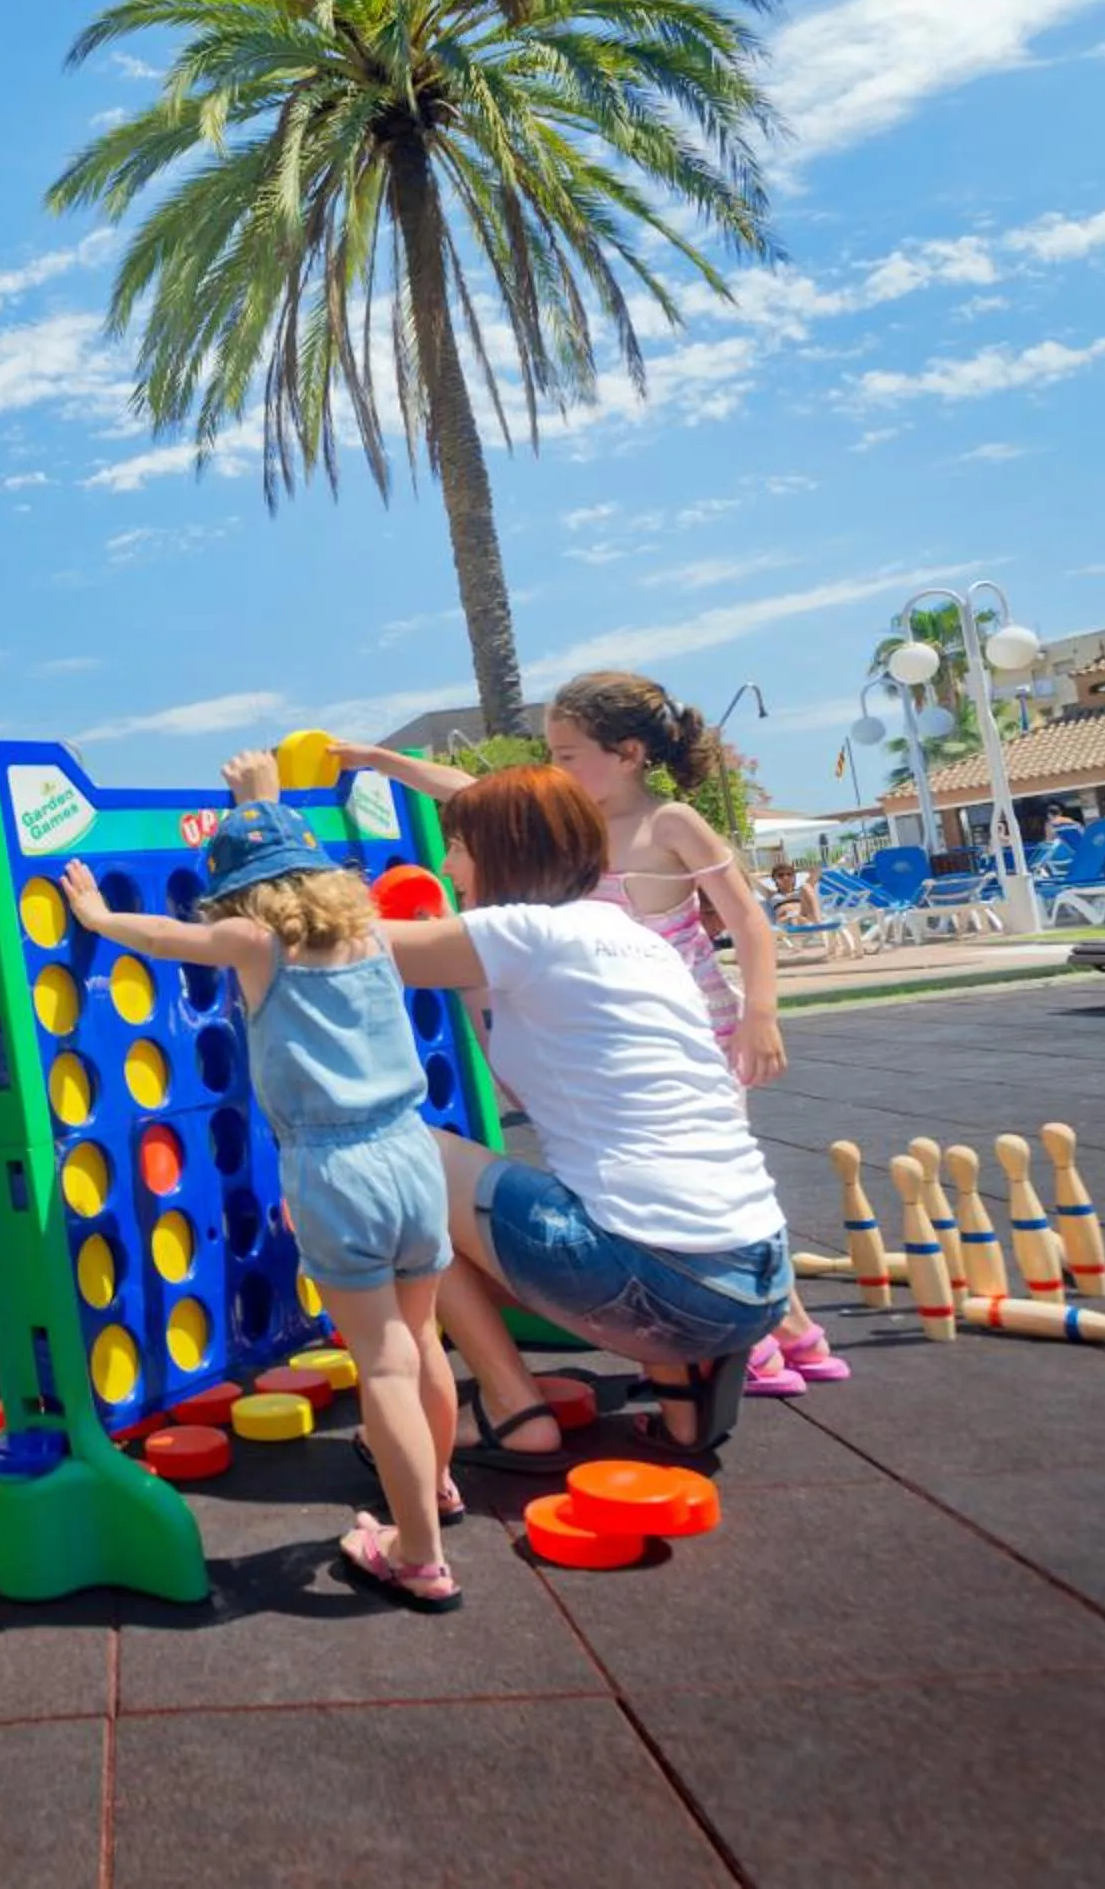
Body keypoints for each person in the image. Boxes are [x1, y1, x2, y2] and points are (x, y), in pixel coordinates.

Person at [344, 670, 846, 1399]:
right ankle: (751, 1334)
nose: (556, 768)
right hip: (603, 1003)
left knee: (691, 1175)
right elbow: (473, 791)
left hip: (690, 1016)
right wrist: (379, 761)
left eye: (568, 753)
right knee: (675, 1181)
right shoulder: (567, 817)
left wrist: (760, 1014)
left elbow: (745, 919)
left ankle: (772, 1338)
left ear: (630, 752)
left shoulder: (666, 824)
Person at [57, 776, 462, 1610]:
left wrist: (97, 919)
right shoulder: (377, 937)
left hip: (334, 1164)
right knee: (421, 1343)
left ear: (242, 891)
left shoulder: (254, 941)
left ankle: (416, 1553)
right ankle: (438, 1489)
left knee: (380, 1365)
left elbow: (168, 937)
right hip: (414, 1152)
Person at [321, 761, 796, 1464]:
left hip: (667, 1286)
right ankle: (682, 1403)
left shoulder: (524, 932)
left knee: (397, 1156)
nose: (448, 865)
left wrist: (261, 819)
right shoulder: (634, 935)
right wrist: (472, 980)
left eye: (459, 846)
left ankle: (515, 1409)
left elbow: (326, 947)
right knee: (611, 1183)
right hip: (760, 1278)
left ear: (505, 851)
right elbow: (534, 1090)